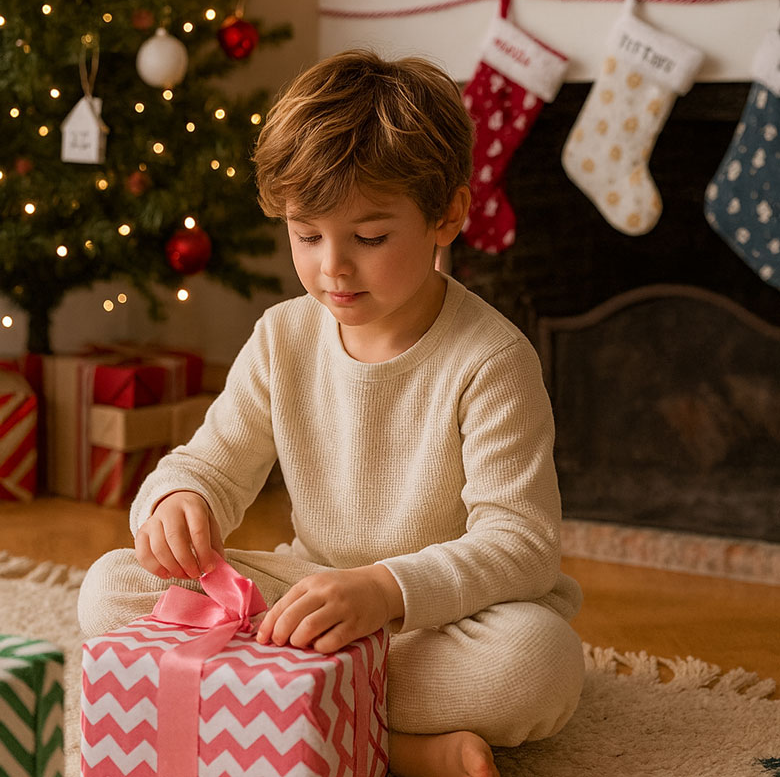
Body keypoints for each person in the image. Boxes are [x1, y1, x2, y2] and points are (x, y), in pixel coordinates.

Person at [78, 49, 585, 777]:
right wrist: (178, 501)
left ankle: (294, 718)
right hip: (306, 595)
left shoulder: (492, 359)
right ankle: (386, 746)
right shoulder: (284, 336)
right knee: (110, 589)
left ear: (447, 216)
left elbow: (521, 544)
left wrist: (385, 590)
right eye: (306, 235)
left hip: (436, 614)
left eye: (369, 238)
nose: (332, 268)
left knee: (534, 664)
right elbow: (210, 463)